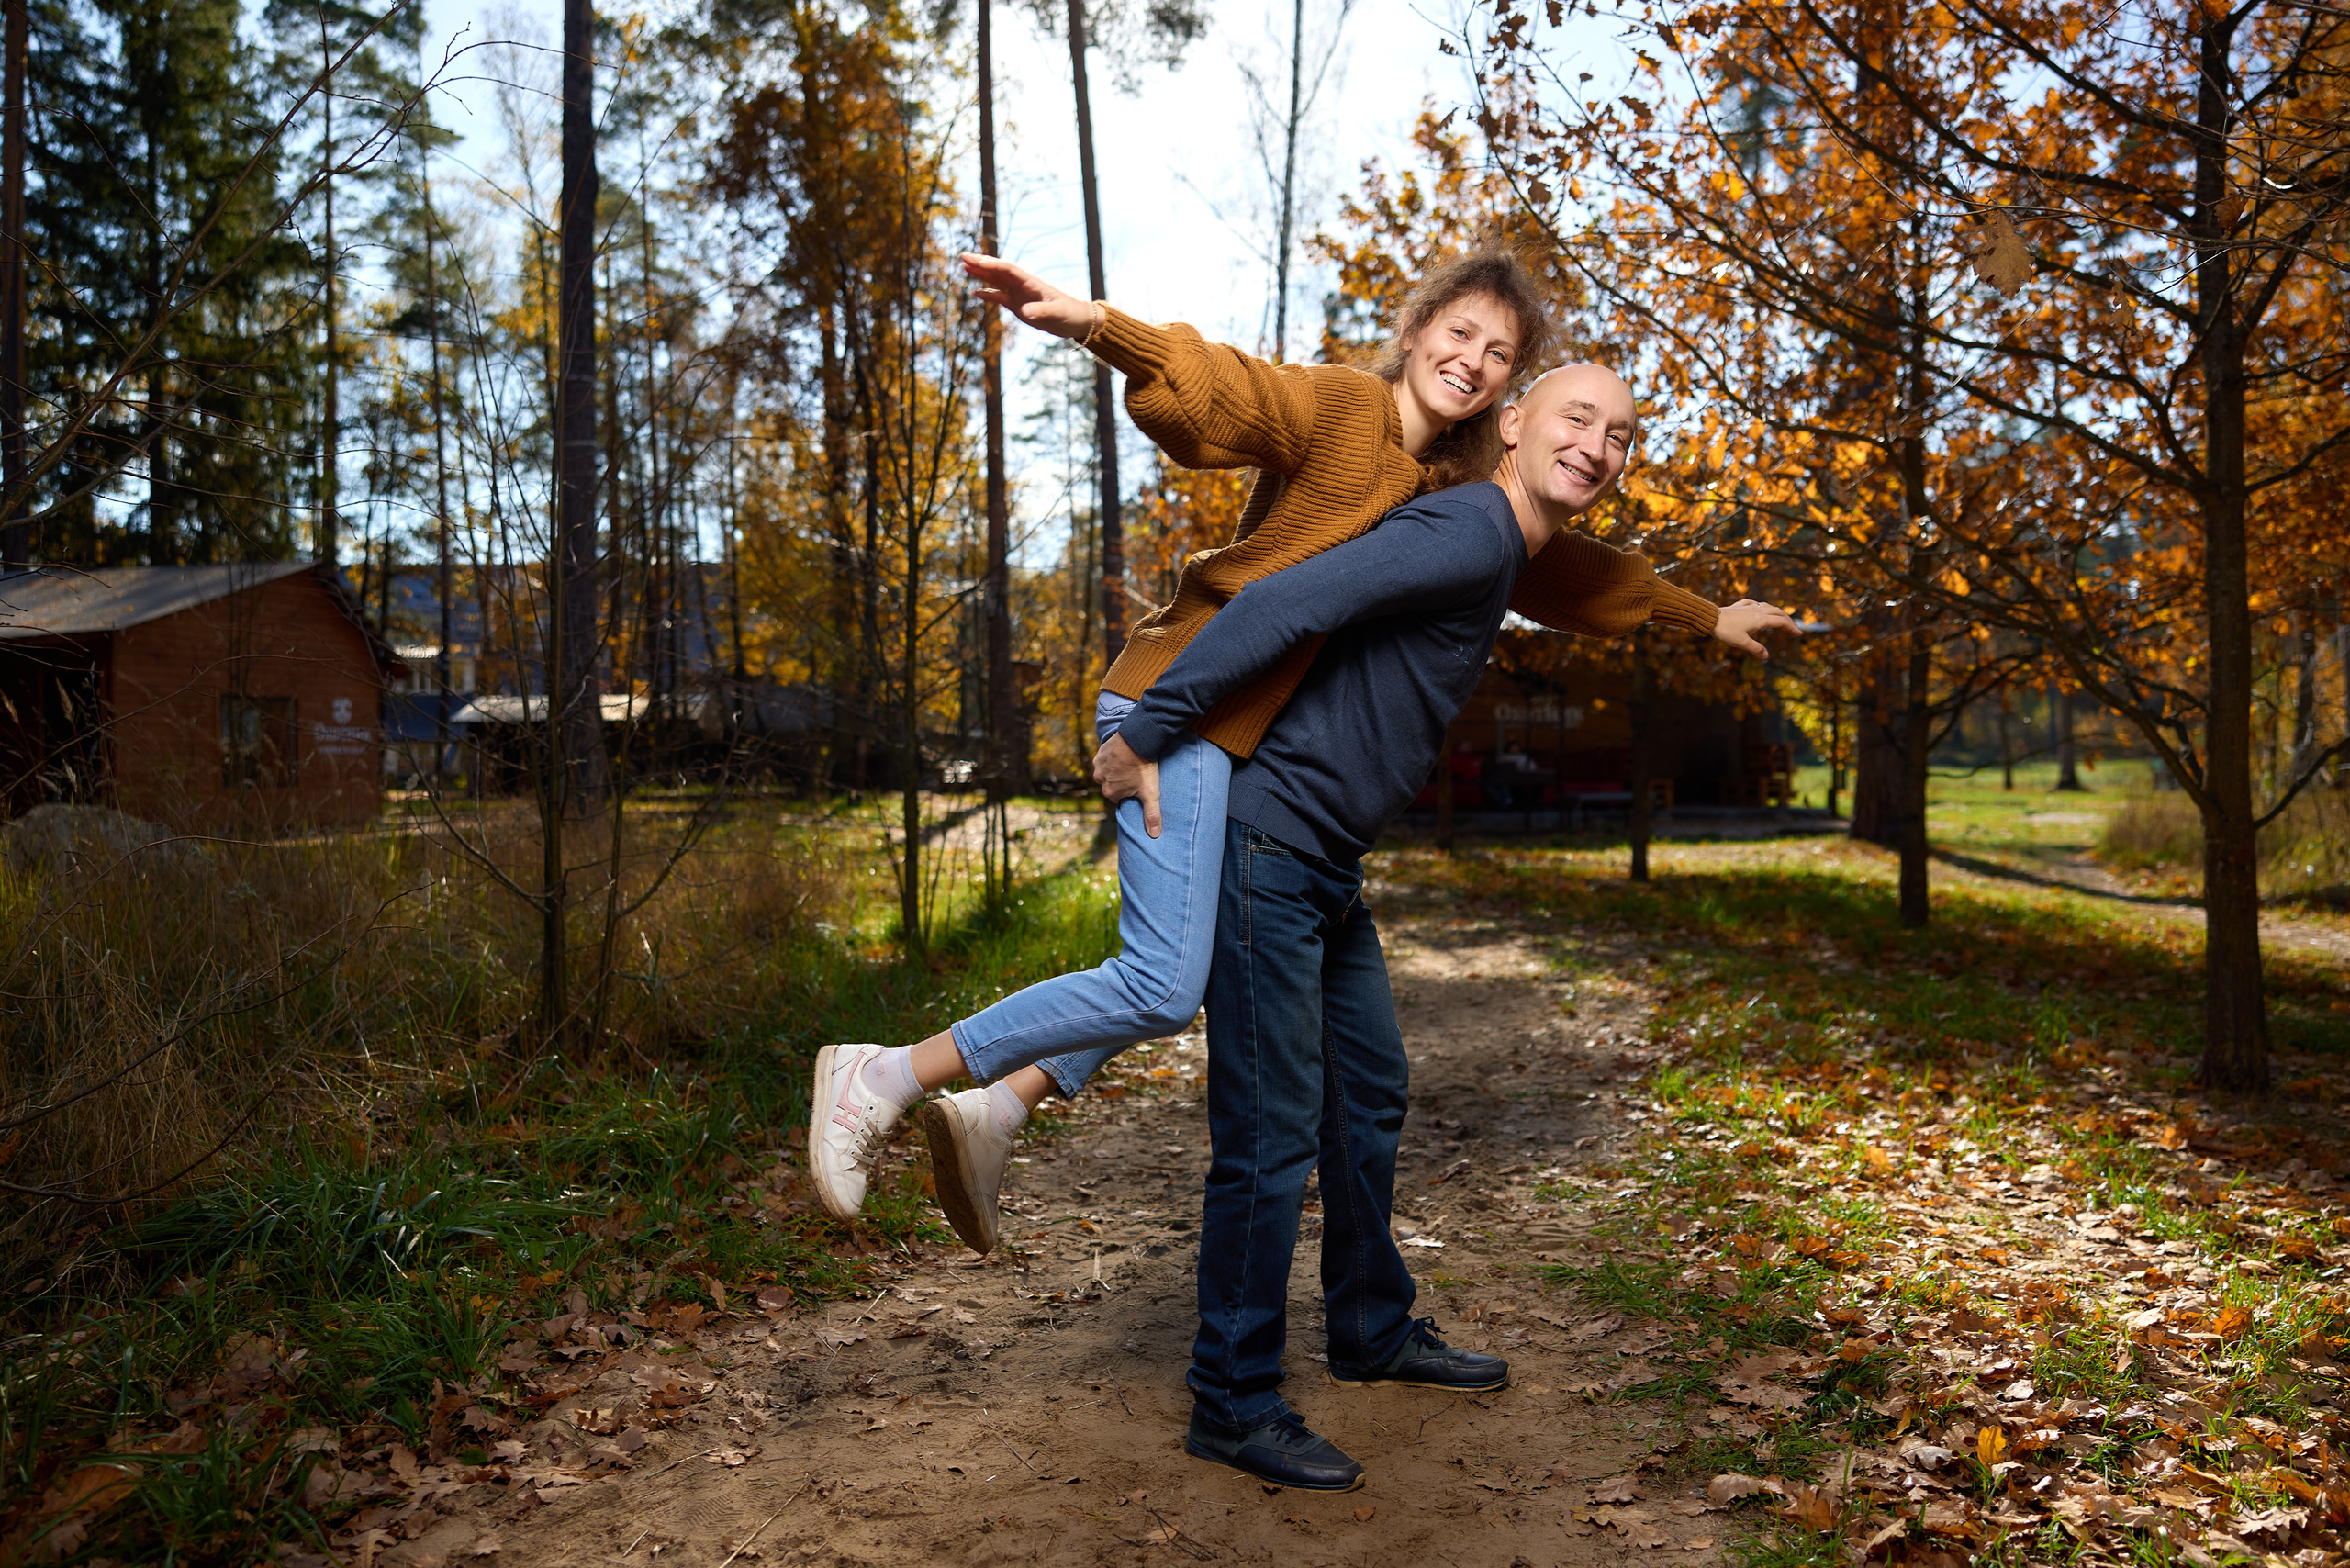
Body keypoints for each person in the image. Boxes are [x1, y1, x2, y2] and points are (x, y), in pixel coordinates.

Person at [807, 250, 1717, 1255]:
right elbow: (1231, 389)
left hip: (1230, 726)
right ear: (1416, 331)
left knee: (1201, 949)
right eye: (1459, 332)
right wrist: (1099, 325)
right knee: (1164, 982)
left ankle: (1004, 1103)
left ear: (1508, 390)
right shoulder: (1343, 406)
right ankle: (885, 1074)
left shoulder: (1445, 481)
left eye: (1499, 353)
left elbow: (1561, 568)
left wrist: (1711, 618)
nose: (1473, 359)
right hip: (1180, 702)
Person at [1093, 364, 1796, 1489]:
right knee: (1272, 1130)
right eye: (1577, 419)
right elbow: (1281, 601)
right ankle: (1231, 1397)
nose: (1598, 446)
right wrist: (1148, 730)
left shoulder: (1506, 542)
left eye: (1620, 435)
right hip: (1267, 845)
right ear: (1511, 424)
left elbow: (1593, 581)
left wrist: (1710, 615)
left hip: (1323, 860)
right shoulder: (1470, 527)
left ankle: (1371, 1326)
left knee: (1367, 1092)